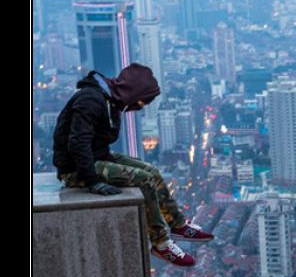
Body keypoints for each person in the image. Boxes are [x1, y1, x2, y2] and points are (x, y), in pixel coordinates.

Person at [53, 63, 213, 266]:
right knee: (143, 179)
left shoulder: (108, 100)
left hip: (98, 157)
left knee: (151, 171)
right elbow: (78, 142)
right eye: (141, 102)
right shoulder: (91, 100)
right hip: (75, 169)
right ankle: (161, 243)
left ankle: (178, 224)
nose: (140, 107)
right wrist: (92, 180)